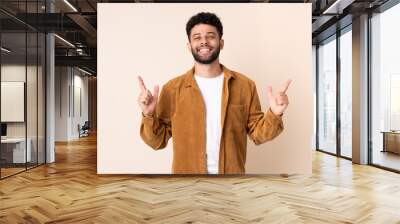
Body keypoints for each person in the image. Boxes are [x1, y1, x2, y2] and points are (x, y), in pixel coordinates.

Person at [138, 12, 291, 174]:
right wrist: (148, 115)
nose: (204, 41)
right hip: (187, 185)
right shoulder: (172, 89)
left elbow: (258, 134)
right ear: (189, 46)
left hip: (231, 183)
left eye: (210, 36)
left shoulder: (245, 86)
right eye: (197, 37)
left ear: (221, 43)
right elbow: (157, 141)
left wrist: (274, 114)